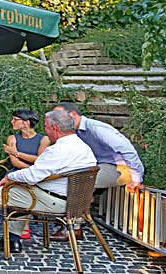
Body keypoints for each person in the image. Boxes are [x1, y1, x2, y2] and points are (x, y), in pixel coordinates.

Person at [0, 110, 97, 253]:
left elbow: (33, 175)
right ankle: (12, 240)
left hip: (55, 202)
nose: (45, 129)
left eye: (46, 126)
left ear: (54, 128)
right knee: (21, 190)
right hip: (76, 202)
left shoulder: (58, 150)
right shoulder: (84, 147)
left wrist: (10, 177)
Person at [50, 102, 145, 241]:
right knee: (71, 177)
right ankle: (71, 219)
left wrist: (137, 178)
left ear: (73, 115)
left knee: (81, 182)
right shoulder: (73, 132)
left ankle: (74, 227)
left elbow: (126, 149)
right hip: (100, 165)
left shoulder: (97, 128)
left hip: (120, 167)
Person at [1, 109, 50, 239]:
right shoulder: (12, 138)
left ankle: (22, 223)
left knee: (28, 185)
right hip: (19, 172)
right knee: (19, 185)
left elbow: (39, 159)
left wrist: (15, 152)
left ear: (26, 122)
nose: (12, 121)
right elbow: (15, 162)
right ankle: (22, 224)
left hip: (36, 174)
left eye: (15, 119)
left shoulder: (44, 139)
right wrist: (32, 169)